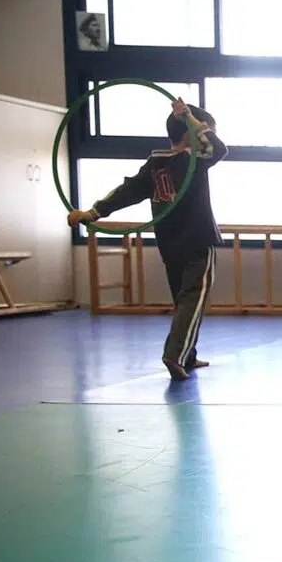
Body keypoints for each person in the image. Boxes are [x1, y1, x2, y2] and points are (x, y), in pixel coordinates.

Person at [67, 99, 227, 381]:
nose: (207, 134)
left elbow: (125, 192)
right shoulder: (193, 160)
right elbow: (219, 148)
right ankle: (175, 354)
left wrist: (93, 212)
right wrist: (190, 117)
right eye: (205, 130)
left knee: (183, 301)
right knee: (193, 300)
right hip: (198, 240)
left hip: (170, 242)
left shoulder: (156, 164)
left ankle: (187, 355)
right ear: (191, 134)